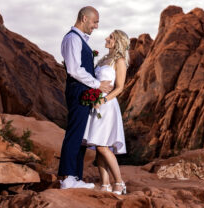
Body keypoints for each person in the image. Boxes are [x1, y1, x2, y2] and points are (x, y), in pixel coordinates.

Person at [58, 6, 113, 189]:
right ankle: (67, 177)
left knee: (81, 135)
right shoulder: (73, 38)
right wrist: (98, 85)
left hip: (83, 90)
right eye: (95, 21)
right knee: (75, 132)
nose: (96, 26)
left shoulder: (79, 39)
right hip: (78, 90)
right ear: (84, 18)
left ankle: (75, 177)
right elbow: (74, 69)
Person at [83, 30, 130, 195]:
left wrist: (103, 100)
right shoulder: (103, 59)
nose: (106, 38)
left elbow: (120, 87)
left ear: (117, 42)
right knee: (98, 145)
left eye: (110, 37)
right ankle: (105, 184)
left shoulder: (120, 61)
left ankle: (119, 182)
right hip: (95, 104)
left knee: (103, 146)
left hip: (107, 104)